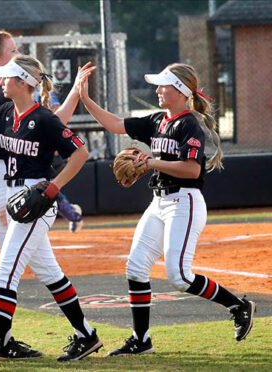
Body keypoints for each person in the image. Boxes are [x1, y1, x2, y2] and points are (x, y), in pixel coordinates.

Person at [79, 63, 256, 355]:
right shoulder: (158, 120)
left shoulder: (188, 124)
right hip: (159, 202)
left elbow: (191, 168)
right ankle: (141, 340)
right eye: (159, 85)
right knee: (135, 268)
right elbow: (114, 124)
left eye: (163, 85)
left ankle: (238, 306)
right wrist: (85, 98)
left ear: (181, 91)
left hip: (184, 202)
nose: (158, 90)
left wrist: (151, 162)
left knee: (180, 276)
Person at [0, 55, 101, 371]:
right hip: (13, 195)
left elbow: (80, 153)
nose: (1, 81)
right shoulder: (6, 112)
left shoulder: (43, 118)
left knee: (5, 274)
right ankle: (86, 334)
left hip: (36, 200)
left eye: (7, 77)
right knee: (49, 272)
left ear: (22, 83)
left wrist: (54, 188)